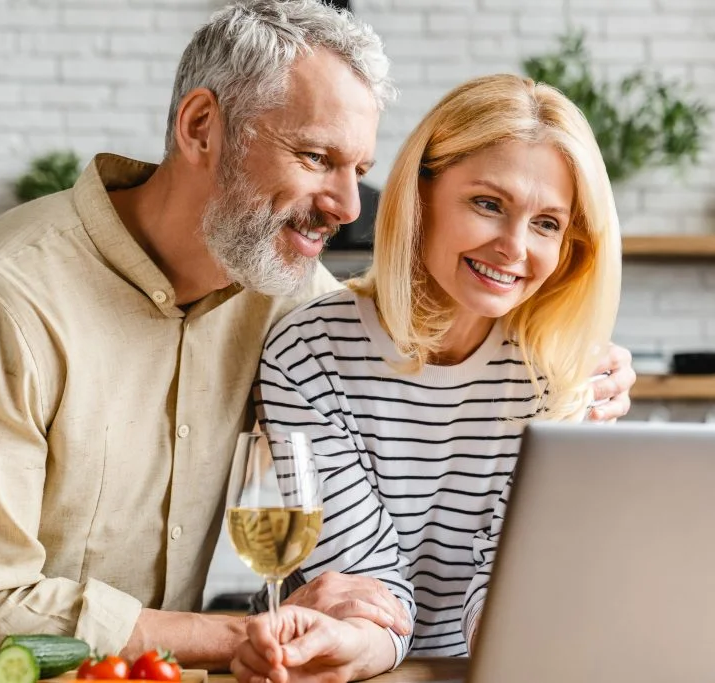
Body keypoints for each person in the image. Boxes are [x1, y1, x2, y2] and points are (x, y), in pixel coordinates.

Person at [0, 0, 414, 670]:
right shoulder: (0, 300)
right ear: (201, 128)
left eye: (357, 171)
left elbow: (410, 389)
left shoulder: (288, 296)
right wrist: (239, 636)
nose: (348, 206)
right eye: (316, 156)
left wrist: (567, 380)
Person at [231, 73, 629, 683]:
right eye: (488, 204)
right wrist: (353, 641)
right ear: (421, 194)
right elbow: (368, 593)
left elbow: (510, 585)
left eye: (548, 223)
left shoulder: (554, 373)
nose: (514, 248)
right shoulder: (308, 353)